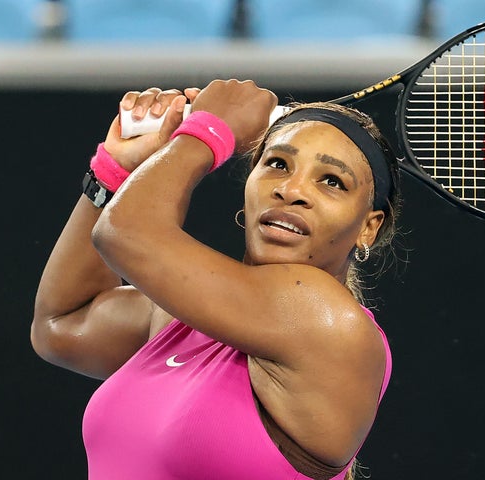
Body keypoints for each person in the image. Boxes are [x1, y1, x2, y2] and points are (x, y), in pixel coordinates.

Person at [31, 79, 401, 480]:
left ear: (369, 227)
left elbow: (124, 233)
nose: (291, 190)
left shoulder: (325, 319)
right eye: (277, 164)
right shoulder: (183, 317)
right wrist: (115, 171)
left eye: (332, 181)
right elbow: (63, 324)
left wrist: (209, 130)